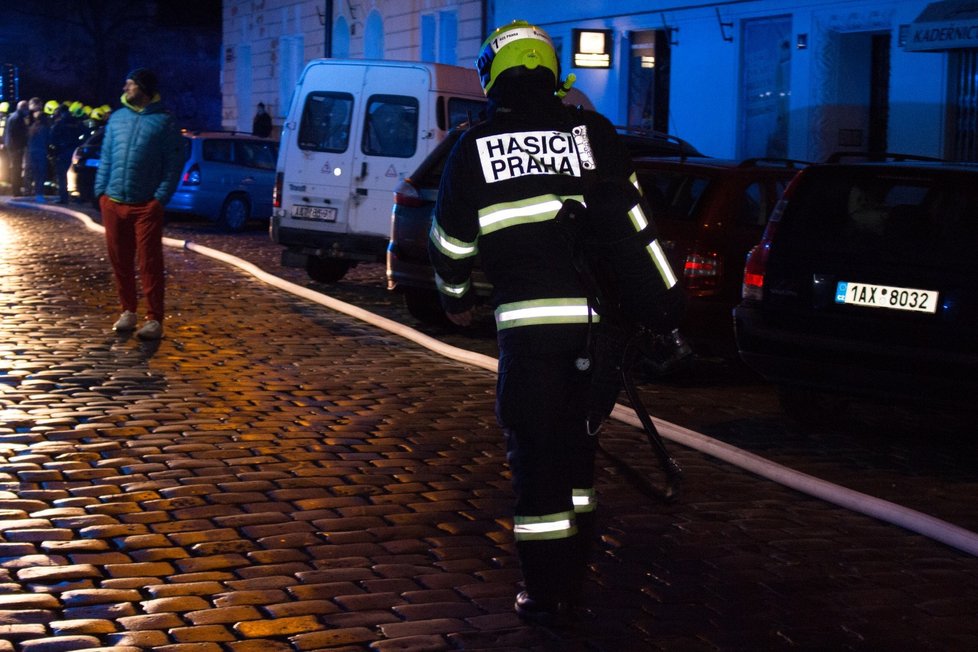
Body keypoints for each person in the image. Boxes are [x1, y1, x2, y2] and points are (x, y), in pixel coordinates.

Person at [429, 20, 684, 626]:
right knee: (578, 454)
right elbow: (637, 236)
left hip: (531, 336)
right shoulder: (593, 135)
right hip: (598, 334)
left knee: (538, 462)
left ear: (492, 78)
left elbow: (449, 244)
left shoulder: (473, 147)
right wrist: (668, 316)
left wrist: (456, 298)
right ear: (551, 72)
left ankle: (546, 595)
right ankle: (577, 571)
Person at [94, 67, 182, 340]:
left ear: (143, 88)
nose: (124, 88)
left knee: (149, 261)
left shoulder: (165, 123)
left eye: (129, 84)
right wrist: (101, 193)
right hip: (114, 200)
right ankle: (127, 311)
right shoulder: (117, 119)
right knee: (119, 260)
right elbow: (106, 157)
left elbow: (173, 164)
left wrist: (160, 198)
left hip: (146, 204)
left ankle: (154, 318)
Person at [50, 103, 86, 203]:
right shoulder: (76, 122)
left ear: (61, 112)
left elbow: (52, 137)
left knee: (62, 175)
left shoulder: (60, 123)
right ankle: (80, 197)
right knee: (77, 174)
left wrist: (54, 148)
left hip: (62, 151)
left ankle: (63, 198)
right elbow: (83, 134)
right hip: (76, 151)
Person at [25, 97, 51, 202]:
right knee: (40, 174)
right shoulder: (45, 128)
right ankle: (39, 194)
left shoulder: (30, 128)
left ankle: (28, 192)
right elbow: (48, 140)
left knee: (31, 173)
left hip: (31, 152)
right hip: (41, 152)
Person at [3, 100, 30, 195]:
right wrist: (19, 147)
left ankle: (16, 190)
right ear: (23, 108)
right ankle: (16, 191)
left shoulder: (12, 116)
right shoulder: (18, 118)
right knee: (16, 169)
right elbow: (16, 134)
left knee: (15, 168)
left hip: (11, 147)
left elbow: (8, 132)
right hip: (16, 148)